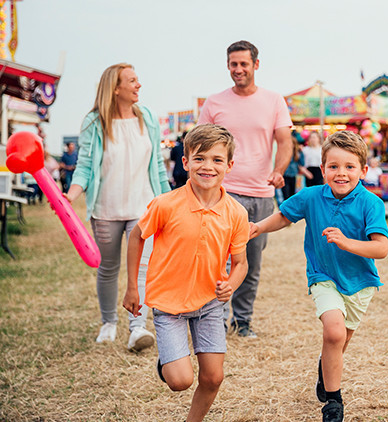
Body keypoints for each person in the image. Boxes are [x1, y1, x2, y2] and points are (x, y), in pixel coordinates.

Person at [248, 131, 388, 422]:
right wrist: (258, 228)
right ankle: (333, 404)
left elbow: (381, 248)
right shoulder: (311, 196)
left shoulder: (371, 203)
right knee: (334, 332)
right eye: (334, 167)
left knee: (339, 341)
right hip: (322, 275)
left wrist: (346, 242)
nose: (341, 173)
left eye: (350, 167)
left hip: (359, 283)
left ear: (363, 170)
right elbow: (284, 216)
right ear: (322, 169)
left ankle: (326, 370)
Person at [124, 124, 249, 422]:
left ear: (229, 165)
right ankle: (167, 363)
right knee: (180, 381)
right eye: (200, 158)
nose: (208, 166)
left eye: (217, 160)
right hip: (168, 305)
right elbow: (137, 236)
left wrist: (230, 285)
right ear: (185, 162)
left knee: (213, 377)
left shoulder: (236, 213)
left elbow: (241, 263)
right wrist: (132, 287)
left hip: (209, 305)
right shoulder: (166, 204)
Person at [66, 63, 171, 351]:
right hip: (106, 209)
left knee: (142, 270)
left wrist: (169, 200)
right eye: (133, 81)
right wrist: (70, 196)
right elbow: (84, 167)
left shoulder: (146, 117)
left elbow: (158, 168)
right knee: (108, 267)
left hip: (143, 207)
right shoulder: (93, 122)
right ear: (116, 89)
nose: (139, 85)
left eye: (138, 80)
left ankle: (137, 328)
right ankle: (108, 321)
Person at [197, 40, 292, 338]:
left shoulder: (274, 100)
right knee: (219, 260)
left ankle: (243, 321)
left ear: (256, 65)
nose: (238, 69)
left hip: (261, 194)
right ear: (227, 66)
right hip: (224, 194)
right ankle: (215, 322)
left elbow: (285, 141)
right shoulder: (214, 103)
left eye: (243, 64)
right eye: (233, 64)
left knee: (249, 262)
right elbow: (199, 141)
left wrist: (279, 171)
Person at [281, 134, 313, 202]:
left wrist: (300, 151)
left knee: (292, 195)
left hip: (294, 176)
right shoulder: (283, 152)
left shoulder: (298, 153)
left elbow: (302, 163)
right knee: (286, 195)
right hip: (285, 176)